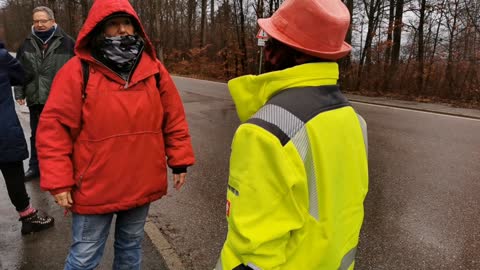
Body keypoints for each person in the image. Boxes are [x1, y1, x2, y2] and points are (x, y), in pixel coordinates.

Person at [36, 0, 195, 269]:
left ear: (136, 27)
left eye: (127, 23)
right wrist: (59, 181)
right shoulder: (78, 70)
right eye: (113, 24)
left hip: (141, 179)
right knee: (84, 256)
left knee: (131, 247)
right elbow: (54, 129)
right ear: (99, 29)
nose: (122, 29)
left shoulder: (154, 69)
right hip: (94, 184)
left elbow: (174, 118)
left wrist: (179, 160)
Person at [215, 0, 369, 269]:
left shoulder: (263, 132)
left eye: (274, 43)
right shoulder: (354, 121)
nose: (268, 53)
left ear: (293, 55)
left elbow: (253, 251)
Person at [14, 6, 75, 180]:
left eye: (43, 20)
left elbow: (79, 70)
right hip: (36, 98)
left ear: (53, 21)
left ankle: (65, 169)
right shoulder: (26, 43)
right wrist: (19, 92)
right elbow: (18, 70)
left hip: (61, 99)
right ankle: (35, 167)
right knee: (37, 135)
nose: (39, 24)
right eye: (36, 21)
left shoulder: (68, 43)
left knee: (64, 135)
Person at [0, 40, 55, 235]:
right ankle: (28, 216)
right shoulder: (2, 58)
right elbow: (24, 75)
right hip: (3, 130)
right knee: (13, 174)